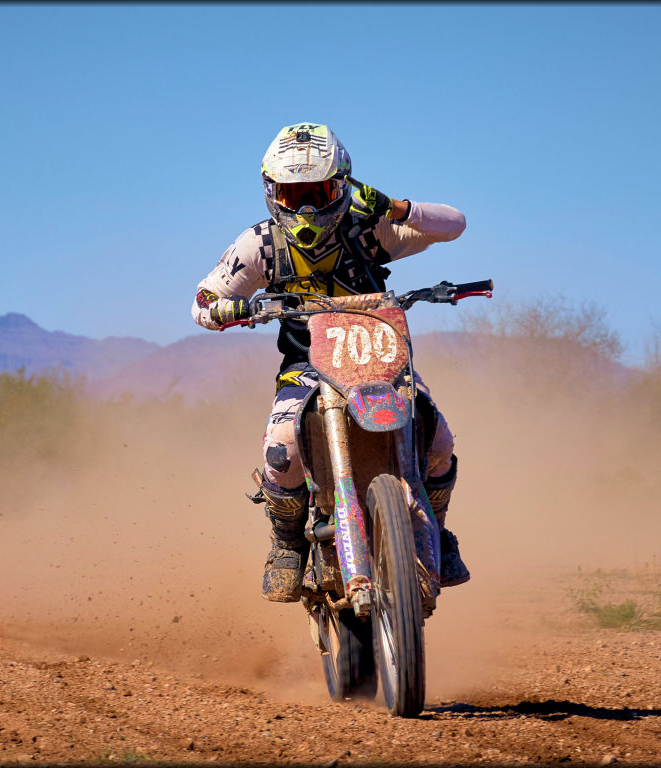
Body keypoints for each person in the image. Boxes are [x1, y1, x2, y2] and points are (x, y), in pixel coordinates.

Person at [191, 122, 469, 602]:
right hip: (306, 367)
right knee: (281, 450)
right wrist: (233, 308)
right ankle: (286, 544)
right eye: (291, 193)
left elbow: (454, 224)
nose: (303, 208)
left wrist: (395, 207)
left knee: (438, 438)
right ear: (271, 191)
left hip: (382, 362)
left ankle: (438, 534)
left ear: (342, 187)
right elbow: (202, 301)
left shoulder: (369, 228)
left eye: (316, 193)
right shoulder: (258, 246)